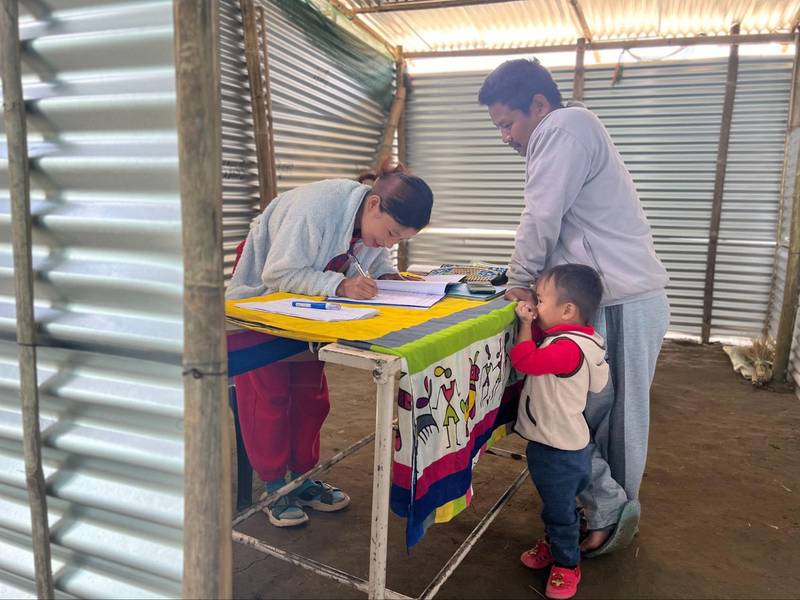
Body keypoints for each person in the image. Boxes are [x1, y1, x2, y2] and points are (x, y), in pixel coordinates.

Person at [478, 58, 670, 556]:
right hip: (608, 297)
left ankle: (610, 518)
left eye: (507, 123)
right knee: (579, 413)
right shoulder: (567, 132)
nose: (505, 137)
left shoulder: (563, 127)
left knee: (610, 418)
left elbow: (540, 215)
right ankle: (601, 508)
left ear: (539, 105)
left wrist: (520, 280)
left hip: (623, 299)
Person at [227, 164, 434, 527]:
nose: (389, 243)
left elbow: (371, 260)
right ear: (373, 205)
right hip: (264, 298)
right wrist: (338, 286)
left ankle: (302, 477)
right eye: (390, 233)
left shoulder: (369, 224)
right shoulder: (317, 208)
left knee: (310, 394)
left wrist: (389, 277)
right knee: (268, 395)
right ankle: (274, 488)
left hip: (310, 306)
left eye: (399, 240)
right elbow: (278, 273)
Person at [512, 264, 609, 600]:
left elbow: (525, 361)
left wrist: (525, 324)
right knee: (559, 505)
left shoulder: (567, 348)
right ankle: (554, 545)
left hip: (558, 450)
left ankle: (567, 564)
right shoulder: (583, 340)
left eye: (540, 300)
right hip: (566, 445)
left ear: (567, 310)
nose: (535, 306)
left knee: (559, 511)